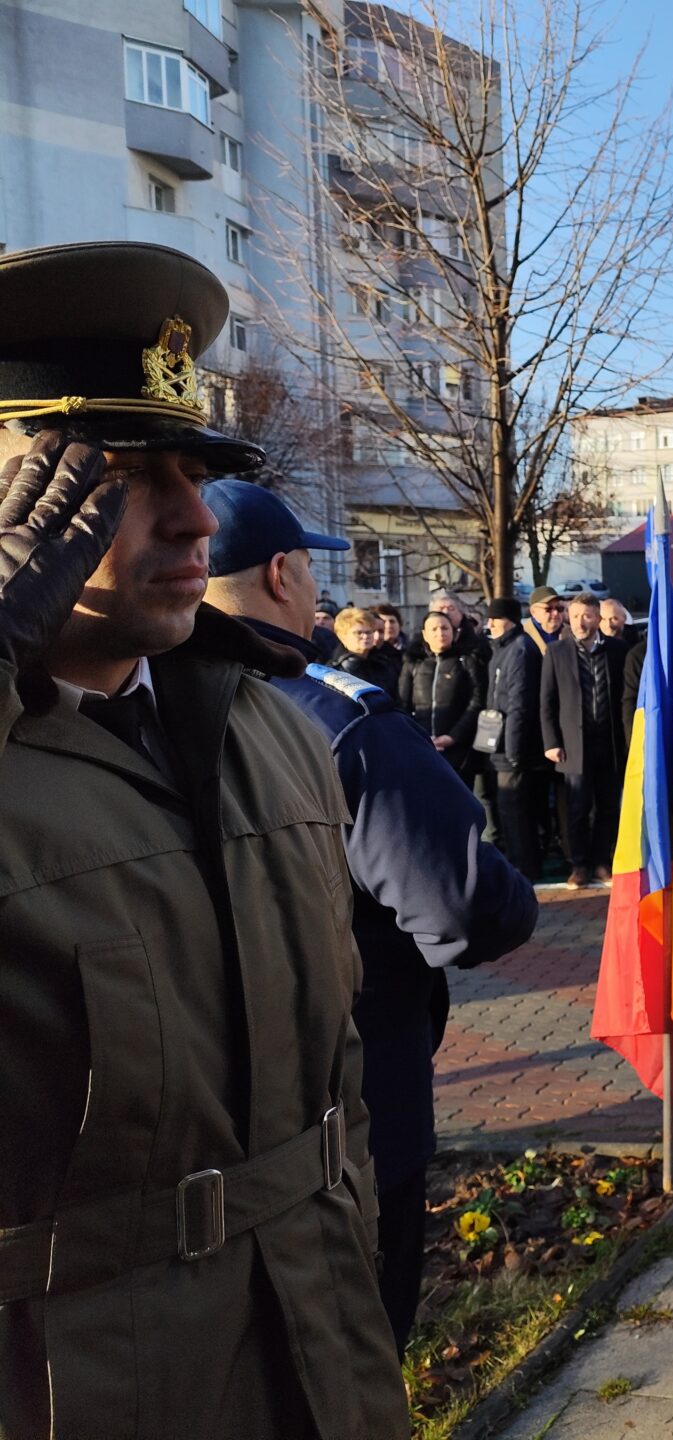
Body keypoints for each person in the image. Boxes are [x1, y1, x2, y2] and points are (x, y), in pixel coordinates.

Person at [0, 240, 405, 1436]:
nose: (194, 520)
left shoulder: (264, 725)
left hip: (317, 1355)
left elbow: (334, 1073)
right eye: (121, 476)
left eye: (195, 470)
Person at [202, 479, 538, 1352]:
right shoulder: (336, 717)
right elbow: (469, 908)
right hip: (347, 1098)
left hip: (195, 1119)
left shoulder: (121, 699)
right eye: (311, 569)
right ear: (281, 574)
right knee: (357, 1353)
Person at [541, 592, 630, 887]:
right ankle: (579, 864)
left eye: (587, 616)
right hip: (573, 743)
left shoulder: (617, 650)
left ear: (598, 618)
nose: (580, 622)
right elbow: (547, 701)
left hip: (609, 742)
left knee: (608, 805)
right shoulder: (557, 652)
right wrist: (552, 741)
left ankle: (602, 861)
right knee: (577, 807)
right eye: (575, 615)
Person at [485, 597, 546, 880]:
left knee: (516, 811)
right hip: (500, 744)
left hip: (514, 748)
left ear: (507, 620)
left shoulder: (520, 649)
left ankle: (524, 869)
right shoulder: (503, 648)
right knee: (510, 810)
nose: (489, 625)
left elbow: (519, 704)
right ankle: (518, 865)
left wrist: (512, 751)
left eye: (494, 619)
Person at [398, 608, 488, 778]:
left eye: (445, 628)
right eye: (434, 629)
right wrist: (420, 737)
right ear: (425, 634)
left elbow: (477, 701)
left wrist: (453, 736)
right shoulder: (414, 664)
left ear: (454, 632)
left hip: (459, 750)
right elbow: (403, 704)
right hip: (422, 746)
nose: (440, 633)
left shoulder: (466, 662)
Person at [333, 603, 402, 693]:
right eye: (358, 633)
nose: (365, 636)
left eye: (369, 632)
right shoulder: (335, 670)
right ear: (343, 636)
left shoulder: (384, 664)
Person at [523, 584, 566, 654]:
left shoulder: (572, 633)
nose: (555, 613)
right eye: (548, 609)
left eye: (559, 608)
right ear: (533, 612)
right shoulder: (522, 637)